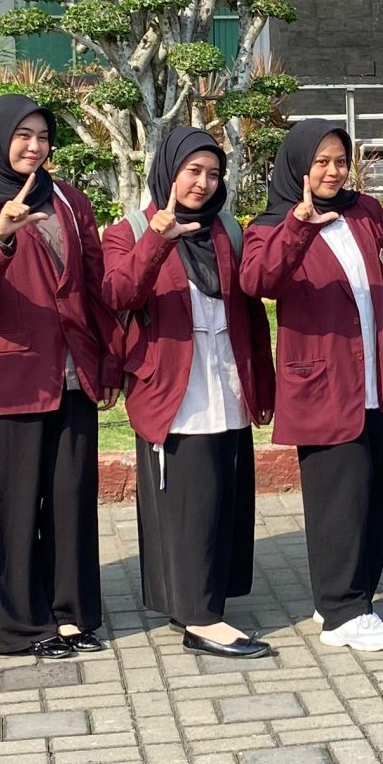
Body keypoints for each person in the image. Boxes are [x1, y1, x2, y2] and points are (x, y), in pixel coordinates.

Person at [0, 95, 115, 658]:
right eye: (22, 135)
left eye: (42, 136)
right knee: (15, 507)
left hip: (73, 374)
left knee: (70, 498)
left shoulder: (69, 199)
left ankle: (70, 613)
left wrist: (107, 359)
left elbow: (94, 284)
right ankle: (21, 626)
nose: (34, 146)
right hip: (13, 376)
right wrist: (0, 236)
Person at [106, 127, 278, 659]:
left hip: (224, 374)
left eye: (213, 173)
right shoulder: (130, 229)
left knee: (223, 495)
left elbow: (251, 304)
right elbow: (117, 293)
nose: (202, 183)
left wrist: (263, 381)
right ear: (169, 172)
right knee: (188, 499)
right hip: (173, 384)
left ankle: (206, 597)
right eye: (192, 172)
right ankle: (200, 618)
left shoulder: (226, 227)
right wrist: (157, 239)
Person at [244, 123, 383, 653]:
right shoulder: (271, 225)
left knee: (371, 494)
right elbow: (258, 283)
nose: (333, 171)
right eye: (320, 161)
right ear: (297, 165)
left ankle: (348, 594)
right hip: (323, 381)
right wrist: (299, 224)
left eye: (341, 160)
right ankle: (343, 615)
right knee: (336, 498)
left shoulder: (366, 211)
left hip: (374, 377)